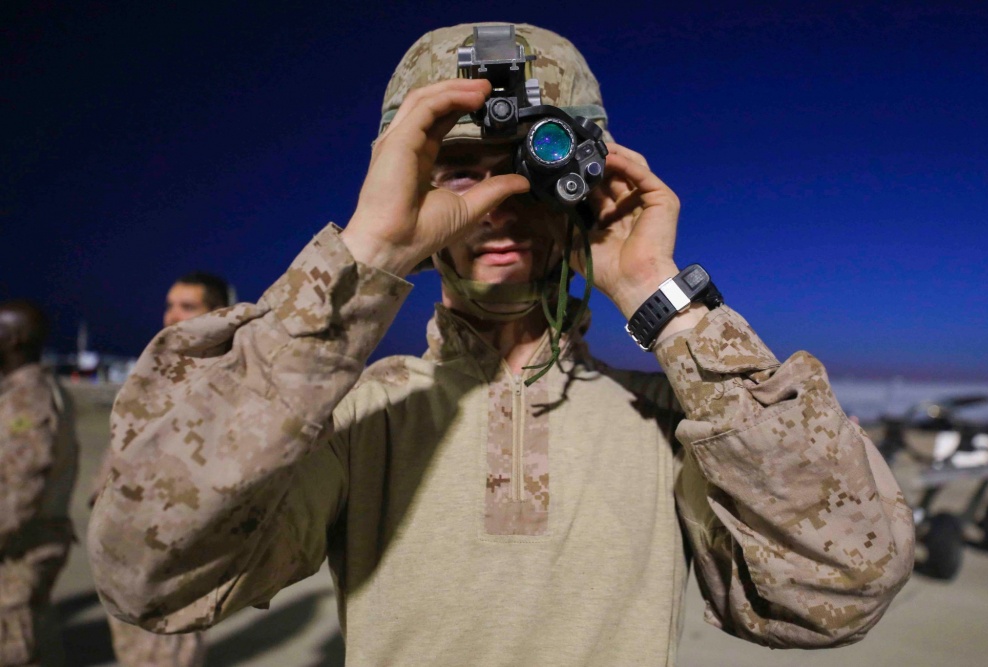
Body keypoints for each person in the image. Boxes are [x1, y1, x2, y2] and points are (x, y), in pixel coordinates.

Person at [88, 23, 914, 666]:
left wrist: (661, 297)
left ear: (583, 185)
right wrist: (368, 252)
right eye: (461, 171)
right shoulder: (353, 417)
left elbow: (839, 586)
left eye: (532, 164)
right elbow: (148, 576)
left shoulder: (673, 424)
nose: (502, 201)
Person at [93, 271, 231, 667]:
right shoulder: (161, 369)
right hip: (125, 542)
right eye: (170, 305)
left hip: (173, 552)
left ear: (217, 312)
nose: (172, 316)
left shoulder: (227, 375)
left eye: (187, 307)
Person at [0, 300, 78, 666]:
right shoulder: (25, 390)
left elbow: (21, 490)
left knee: (17, 648)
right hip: (25, 544)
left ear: (13, 339)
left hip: (21, 549)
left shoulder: (29, 399)